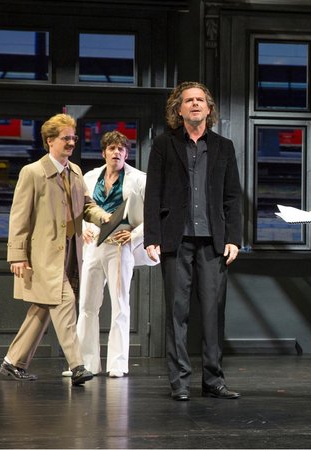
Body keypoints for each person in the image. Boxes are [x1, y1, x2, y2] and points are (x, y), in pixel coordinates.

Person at [144, 81, 243, 401]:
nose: (196, 104)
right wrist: (152, 237)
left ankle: (214, 380)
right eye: (189, 100)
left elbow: (232, 198)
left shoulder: (223, 147)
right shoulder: (163, 144)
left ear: (209, 108)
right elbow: (153, 193)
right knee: (177, 312)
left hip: (214, 241)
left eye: (201, 100)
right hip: (176, 240)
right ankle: (180, 381)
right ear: (179, 108)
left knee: (214, 313)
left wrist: (234, 238)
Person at [0, 113, 110, 385]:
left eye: (73, 137)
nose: (71, 142)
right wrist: (16, 255)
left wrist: (104, 217)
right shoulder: (33, 173)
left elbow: (86, 206)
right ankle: (77, 366)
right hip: (44, 256)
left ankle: (12, 362)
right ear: (50, 141)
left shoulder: (75, 172)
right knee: (64, 302)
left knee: (43, 306)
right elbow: (19, 216)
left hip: (70, 254)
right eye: (66, 138)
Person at [74, 130, 157, 379]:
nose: (116, 152)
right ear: (104, 153)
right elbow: (79, 209)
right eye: (112, 148)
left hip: (119, 247)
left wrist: (134, 235)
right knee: (87, 305)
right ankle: (85, 363)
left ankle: (118, 363)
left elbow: (153, 214)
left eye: (121, 149)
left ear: (126, 154)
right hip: (93, 247)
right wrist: (83, 228)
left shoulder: (139, 179)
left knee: (120, 305)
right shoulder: (90, 177)